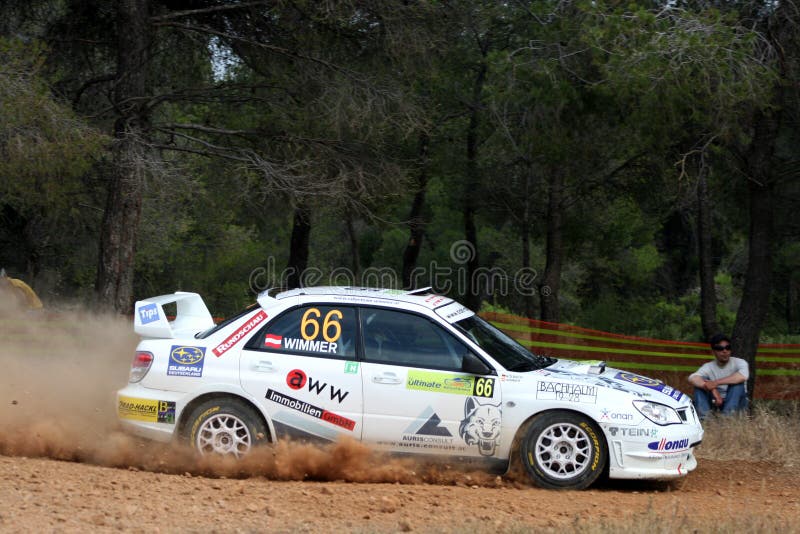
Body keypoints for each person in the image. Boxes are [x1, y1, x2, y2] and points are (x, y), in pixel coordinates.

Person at [688, 334, 749, 420]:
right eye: (720, 348)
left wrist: (715, 383)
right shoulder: (708, 366)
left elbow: (742, 376)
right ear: (713, 352)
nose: (725, 351)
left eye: (728, 347)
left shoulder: (740, 362)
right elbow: (692, 378)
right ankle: (705, 420)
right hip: (716, 403)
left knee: (737, 384)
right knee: (700, 386)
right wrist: (712, 389)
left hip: (737, 404)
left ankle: (727, 419)